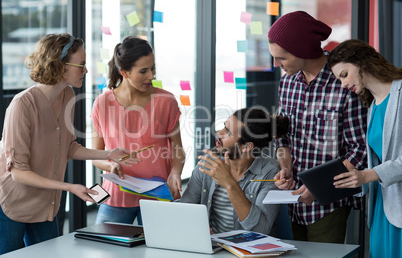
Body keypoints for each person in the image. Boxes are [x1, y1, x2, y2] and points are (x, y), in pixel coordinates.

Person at [0, 33, 137, 255]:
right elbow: (18, 173)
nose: (86, 70)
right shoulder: (22, 105)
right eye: (81, 65)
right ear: (60, 65)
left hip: (46, 204)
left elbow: (68, 146)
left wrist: (109, 154)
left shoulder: (67, 95)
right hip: (12, 202)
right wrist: (70, 188)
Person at [267, 11, 367, 243]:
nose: (275, 64)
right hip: (292, 201)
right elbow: (282, 135)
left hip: (328, 203)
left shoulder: (344, 83)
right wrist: (285, 167)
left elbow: (360, 149)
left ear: (303, 51)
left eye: (281, 58)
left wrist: (319, 187)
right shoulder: (288, 82)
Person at [91, 36, 185, 225]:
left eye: (152, 69)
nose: (151, 76)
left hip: (158, 196)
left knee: (158, 253)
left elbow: (177, 147)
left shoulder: (167, 101)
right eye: (143, 71)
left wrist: (175, 172)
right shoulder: (102, 103)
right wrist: (110, 166)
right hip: (115, 196)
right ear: (125, 72)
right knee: (104, 251)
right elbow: (96, 156)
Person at [328, 39, 402, 257]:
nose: (342, 84)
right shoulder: (372, 105)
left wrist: (368, 175)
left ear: (362, 63)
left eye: (344, 74)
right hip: (383, 203)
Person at [180, 107, 289, 235]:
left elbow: (260, 230)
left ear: (247, 147)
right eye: (223, 126)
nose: (219, 133)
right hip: (212, 248)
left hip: (249, 251)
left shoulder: (270, 172)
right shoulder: (209, 164)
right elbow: (184, 212)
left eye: (228, 132)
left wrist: (229, 182)